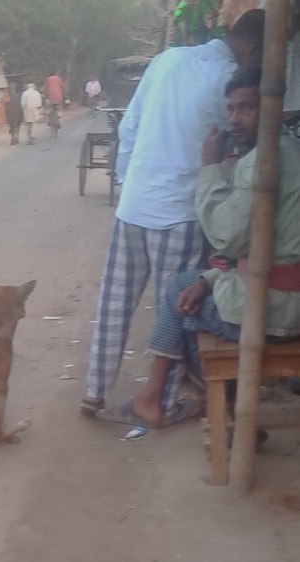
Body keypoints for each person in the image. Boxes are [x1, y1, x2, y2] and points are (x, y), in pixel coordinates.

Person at [81, 9, 266, 420]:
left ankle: (93, 392)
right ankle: (161, 403)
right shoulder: (229, 83)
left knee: (114, 303)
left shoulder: (167, 60)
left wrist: (131, 183)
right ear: (253, 50)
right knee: (179, 306)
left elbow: (129, 126)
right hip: (180, 213)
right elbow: (235, 148)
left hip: (134, 206)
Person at [97, 64, 300, 428]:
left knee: (177, 290)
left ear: (272, 108)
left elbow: (227, 238)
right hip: (284, 298)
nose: (235, 119)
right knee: (197, 284)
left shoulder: (261, 162)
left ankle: (156, 399)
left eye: (246, 108)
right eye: (231, 109)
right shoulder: (290, 150)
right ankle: (229, 409)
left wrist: (209, 168)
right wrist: (207, 279)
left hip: (274, 313)